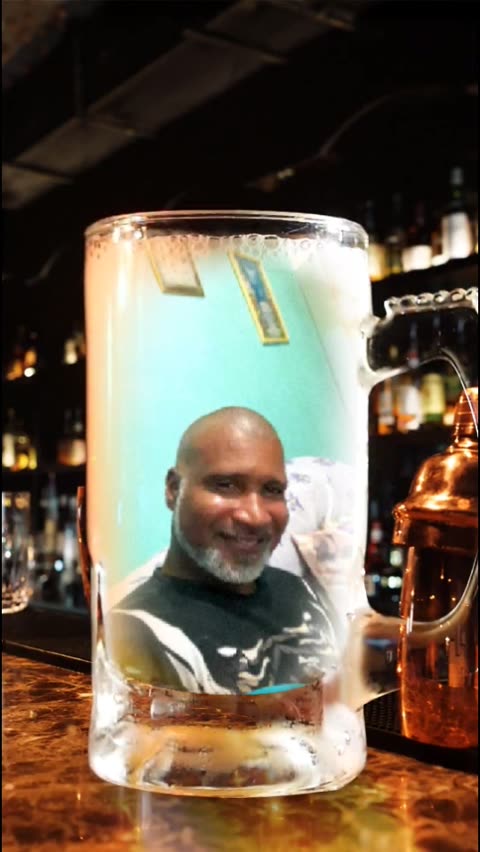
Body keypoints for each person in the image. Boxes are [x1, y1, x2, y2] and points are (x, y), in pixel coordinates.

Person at [108, 407, 340, 695]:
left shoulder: (298, 590)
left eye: (272, 490)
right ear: (174, 489)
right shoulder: (134, 636)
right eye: (226, 485)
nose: (255, 517)